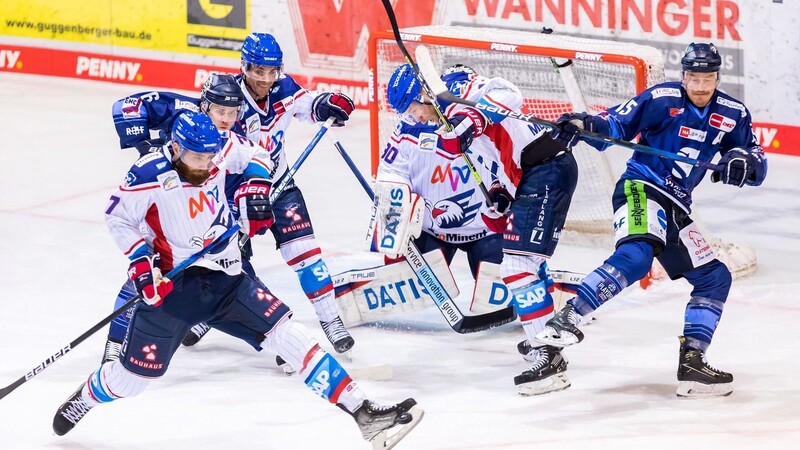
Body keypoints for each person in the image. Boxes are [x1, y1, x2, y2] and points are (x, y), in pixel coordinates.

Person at [52, 111, 423, 448]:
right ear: (177, 148)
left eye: (211, 157)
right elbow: (118, 218)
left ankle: (364, 412)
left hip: (228, 276)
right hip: (175, 288)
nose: (207, 164)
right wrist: (140, 262)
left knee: (290, 335)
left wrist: (254, 189)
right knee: (130, 381)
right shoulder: (148, 174)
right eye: (198, 158)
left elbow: (260, 157)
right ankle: (88, 395)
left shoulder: (222, 148)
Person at [536, 43, 767, 398]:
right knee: (637, 256)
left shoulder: (734, 113)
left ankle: (692, 362)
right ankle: (568, 317)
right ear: (683, 76)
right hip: (641, 188)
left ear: (718, 78)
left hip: (677, 204)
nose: (701, 86)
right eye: (694, 77)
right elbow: (615, 122)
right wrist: (584, 124)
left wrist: (743, 162)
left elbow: (755, 158)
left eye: (708, 78)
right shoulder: (660, 98)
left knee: (714, 277)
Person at [385, 63, 579, 395]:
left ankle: (550, 354)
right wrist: (499, 192)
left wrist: (472, 120)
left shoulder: (456, 91)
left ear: (423, 95)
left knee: (518, 264)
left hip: (548, 167)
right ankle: (542, 341)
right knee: (521, 264)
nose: (415, 118)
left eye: (413, 108)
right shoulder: (445, 123)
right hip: (527, 177)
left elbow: (509, 94)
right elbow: (490, 156)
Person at [103, 74, 267, 362]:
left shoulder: (231, 137)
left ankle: (267, 335)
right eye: (220, 111)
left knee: (233, 271)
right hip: (167, 211)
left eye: (232, 112)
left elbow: (257, 156)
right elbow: (127, 106)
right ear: (204, 106)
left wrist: (253, 189)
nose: (226, 118)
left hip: (212, 210)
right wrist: (144, 146)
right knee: (147, 277)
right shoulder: (182, 111)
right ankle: (115, 344)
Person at [232, 32, 356, 354]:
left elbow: (309, 105)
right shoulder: (228, 98)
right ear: (245, 66)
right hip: (237, 195)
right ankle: (209, 318)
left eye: (271, 71)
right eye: (258, 70)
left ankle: (331, 319)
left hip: (280, 185)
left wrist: (329, 102)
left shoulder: (284, 88)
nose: (265, 79)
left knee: (306, 256)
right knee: (229, 264)